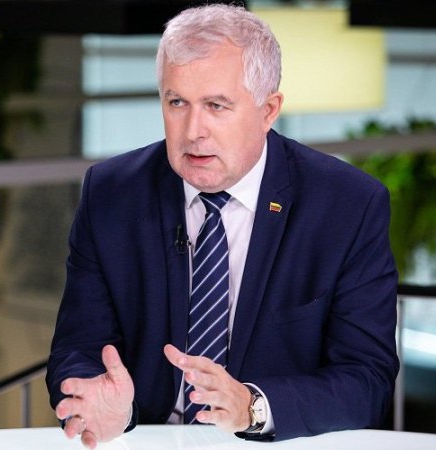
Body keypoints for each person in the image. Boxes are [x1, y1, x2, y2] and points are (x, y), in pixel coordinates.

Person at [46, 4, 399, 448]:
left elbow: (367, 380)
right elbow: (77, 348)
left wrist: (253, 406)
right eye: (177, 103)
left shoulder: (347, 205)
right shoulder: (112, 193)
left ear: (268, 110)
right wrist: (106, 401)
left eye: (216, 105)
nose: (194, 130)